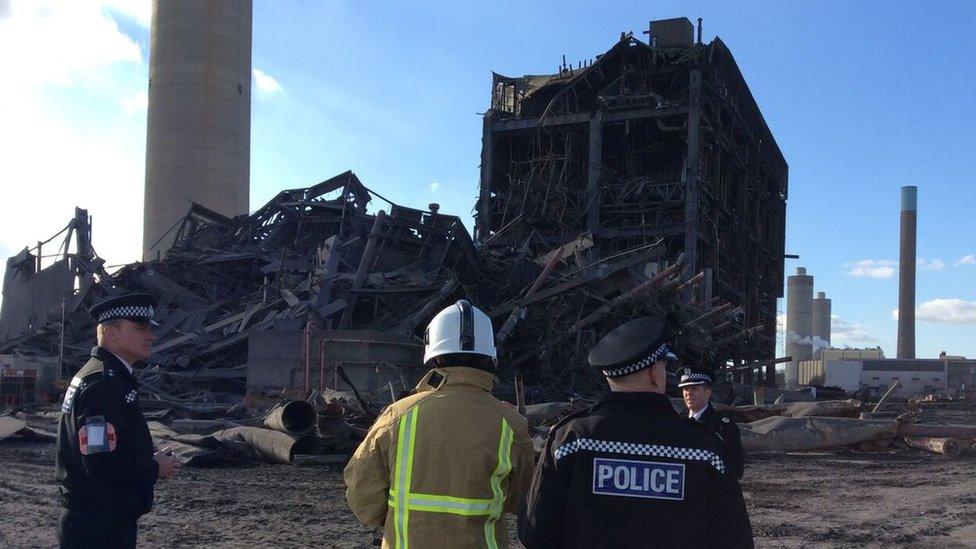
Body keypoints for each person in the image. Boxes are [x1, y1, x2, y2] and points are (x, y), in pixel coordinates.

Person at [518, 315, 753, 549]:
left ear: (607, 375)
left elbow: (535, 531)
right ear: (653, 372)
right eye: (663, 366)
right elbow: (734, 538)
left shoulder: (570, 440)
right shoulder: (703, 449)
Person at [344, 299, 536, 549]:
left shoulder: (398, 415)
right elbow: (520, 500)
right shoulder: (511, 424)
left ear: (434, 355)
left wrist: (396, 521)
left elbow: (362, 495)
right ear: (490, 357)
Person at [55, 293, 181, 549]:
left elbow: (106, 445)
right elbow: (99, 458)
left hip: (98, 518)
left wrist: (149, 456)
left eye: (149, 329)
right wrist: (154, 468)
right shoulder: (103, 382)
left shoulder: (106, 376)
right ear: (111, 333)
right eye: (140, 328)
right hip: (98, 524)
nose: (151, 336)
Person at [680, 365, 745, 480]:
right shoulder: (677, 422)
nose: (688, 393)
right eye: (685, 389)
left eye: (694, 388)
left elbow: (736, 469)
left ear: (708, 393)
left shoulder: (723, 427)